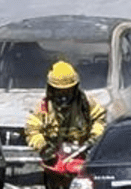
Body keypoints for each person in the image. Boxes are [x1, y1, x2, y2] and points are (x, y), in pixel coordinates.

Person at [24, 61, 107, 189]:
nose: (63, 97)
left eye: (67, 91)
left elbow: (99, 120)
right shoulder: (43, 108)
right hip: (55, 161)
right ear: (51, 90)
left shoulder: (87, 104)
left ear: (75, 89)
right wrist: (44, 148)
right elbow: (32, 130)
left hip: (82, 157)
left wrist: (94, 139)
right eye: (59, 92)